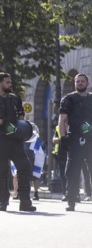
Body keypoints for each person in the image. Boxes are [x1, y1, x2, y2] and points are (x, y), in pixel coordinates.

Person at [0, 72, 36, 212]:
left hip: (15, 139)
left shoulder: (15, 98)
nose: (10, 85)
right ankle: (3, 202)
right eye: (7, 82)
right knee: (1, 172)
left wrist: (22, 129)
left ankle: (25, 201)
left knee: (24, 166)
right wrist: (2, 121)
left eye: (10, 82)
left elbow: (21, 117)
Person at [59, 73, 92, 211]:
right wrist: (63, 138)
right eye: (77, 81)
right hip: (75, 139)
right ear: (74, 83)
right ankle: (71, 201)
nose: (79, 83)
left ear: (87, 82)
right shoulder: (68, 99)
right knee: (72, 171)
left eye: (82, 81)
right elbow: (62, 120)